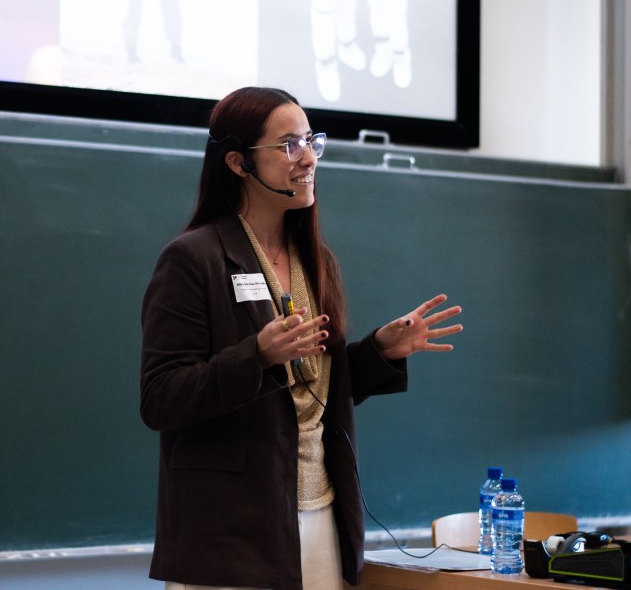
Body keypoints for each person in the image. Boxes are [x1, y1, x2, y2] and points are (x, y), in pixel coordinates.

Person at [139, 86, 462, 589]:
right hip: (232, 531)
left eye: (311, 140)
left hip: (322, 513)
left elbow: (310, 386)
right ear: (238, 163)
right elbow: (160, 399)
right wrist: (256, 354)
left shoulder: (316, 259)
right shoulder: (193, 259)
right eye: (289, 144)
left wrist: (379, 352)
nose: (308, 157)